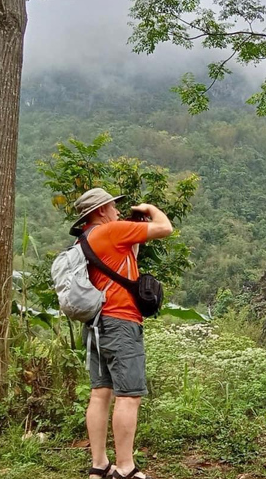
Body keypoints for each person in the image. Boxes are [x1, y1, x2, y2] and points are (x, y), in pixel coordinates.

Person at [71, 188, 173, 479]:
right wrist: (149, 207)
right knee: (128, 395)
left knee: (100, 392)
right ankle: (125, 467)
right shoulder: (112, 231)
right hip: (120, 321)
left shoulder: (86, 239)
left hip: (96, 324)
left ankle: (99, 464)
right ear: (101, 210)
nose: (117, 210)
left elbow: (126, 263)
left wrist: (135, 224)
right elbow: (165, 228)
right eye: (113, 206)